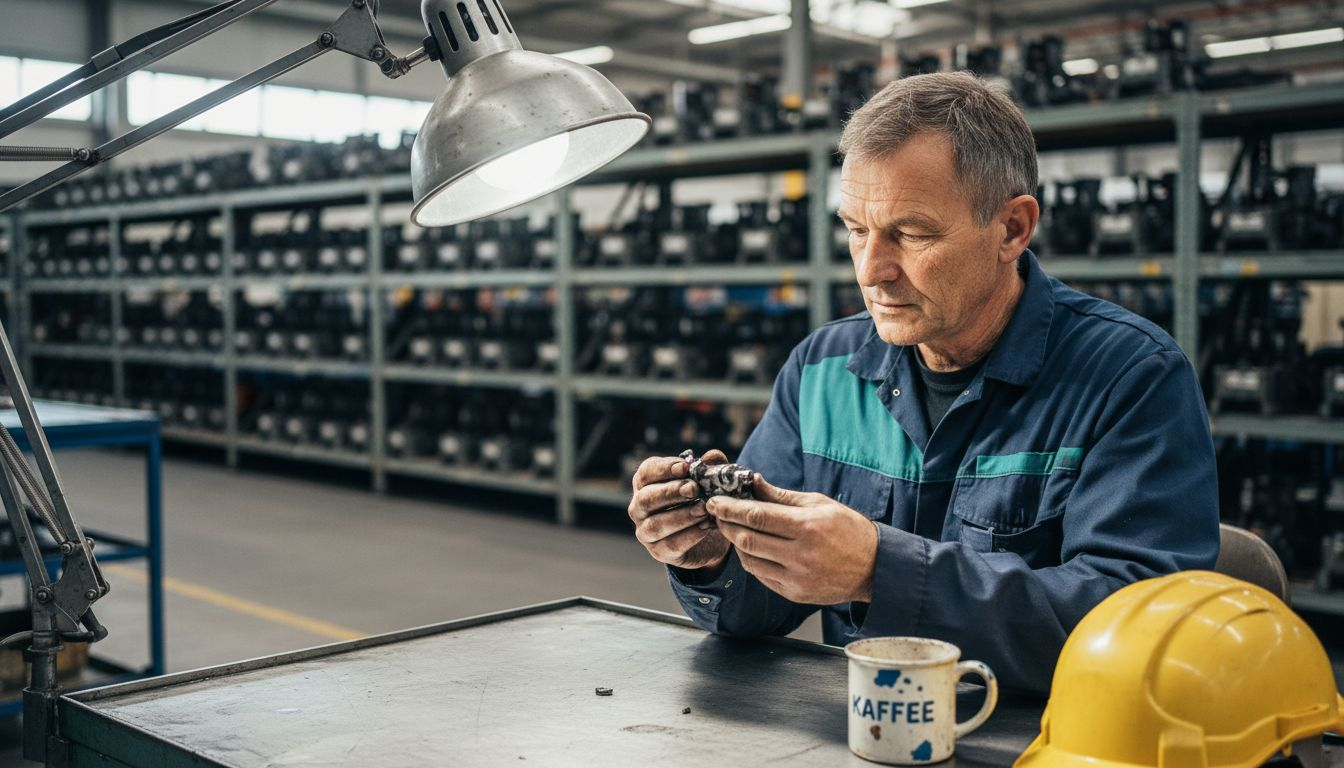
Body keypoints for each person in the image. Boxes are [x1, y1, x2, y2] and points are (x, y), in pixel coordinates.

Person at [626, 71, 1219, 694]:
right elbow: (759, 607)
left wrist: (879, 571)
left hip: (1048, 734)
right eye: (857, 230)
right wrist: (711, 560)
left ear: (1012, 229)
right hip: (875, 728)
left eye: (911, 234)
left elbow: (1137, 626)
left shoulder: (1130, 379)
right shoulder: (822, 370)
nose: (871, 270)